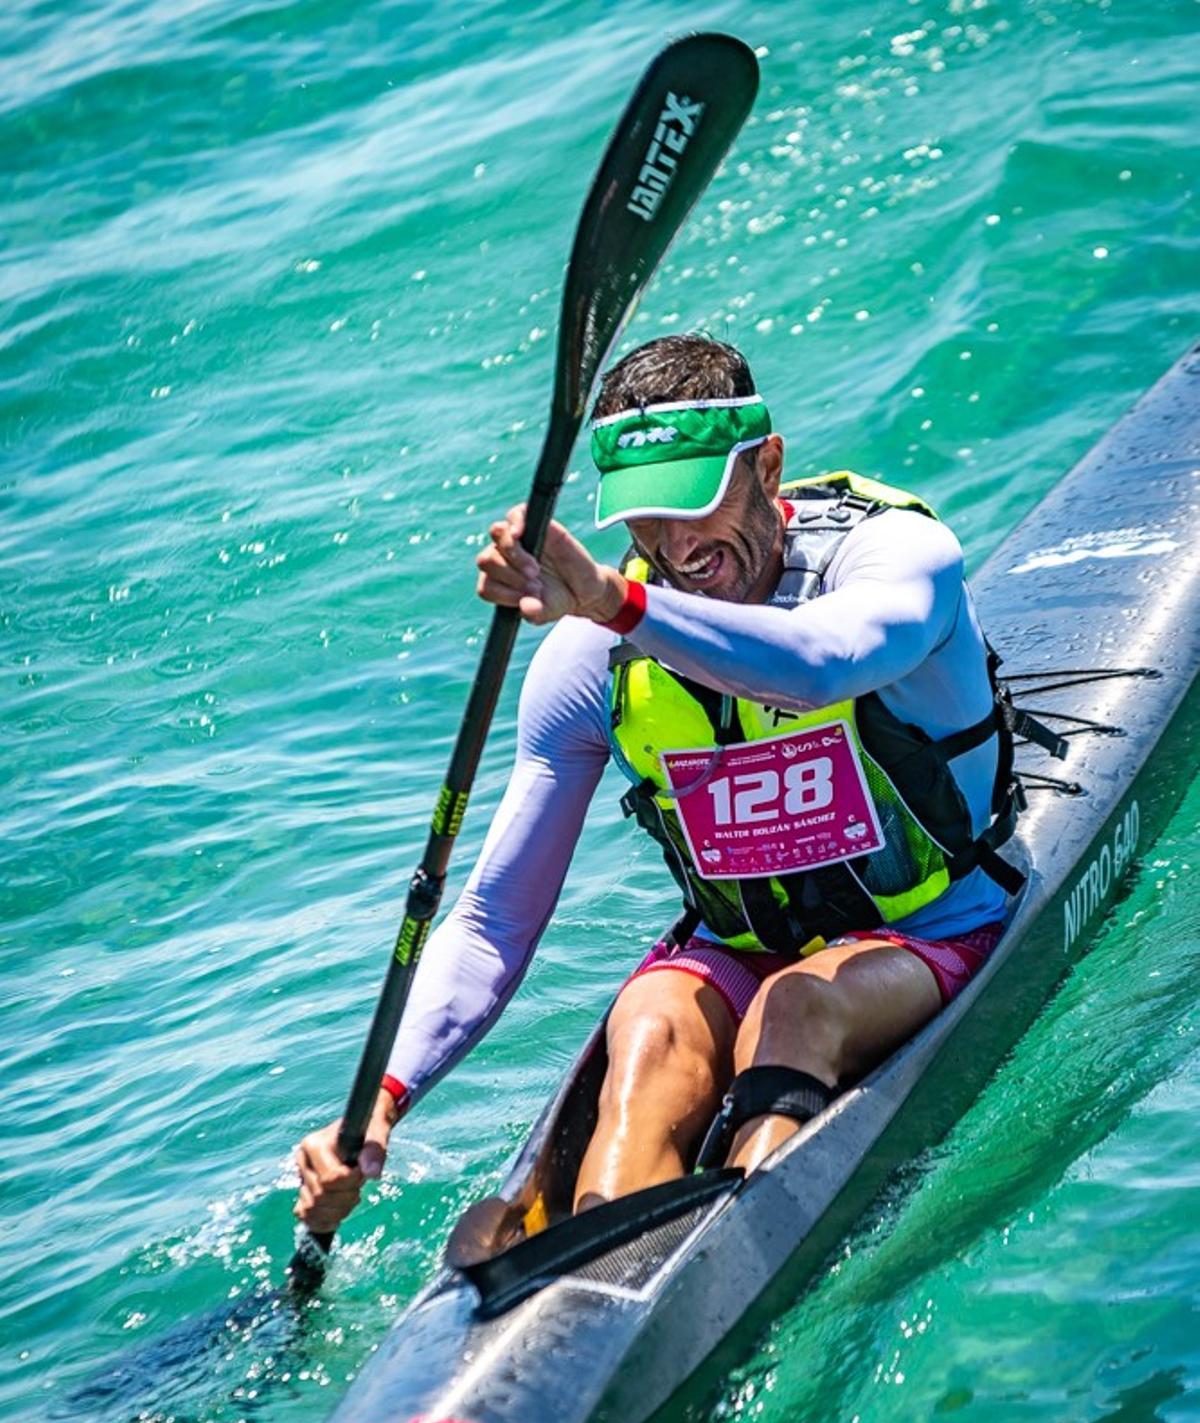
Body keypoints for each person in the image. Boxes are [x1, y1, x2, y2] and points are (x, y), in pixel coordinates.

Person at [296, 334, 1020, 1232]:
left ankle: (742, 1250)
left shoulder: (894, 556)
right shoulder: (589, 658)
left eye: (697, 503)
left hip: (936, 924)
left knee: (794, 1008)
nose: (676, 546)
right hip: (746, 943)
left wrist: (614, 601)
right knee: (644, 1023)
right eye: (645, 517)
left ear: (768, 464)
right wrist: (383, 1099)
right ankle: (599, 1279)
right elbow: (492, 920)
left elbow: (819, 664)